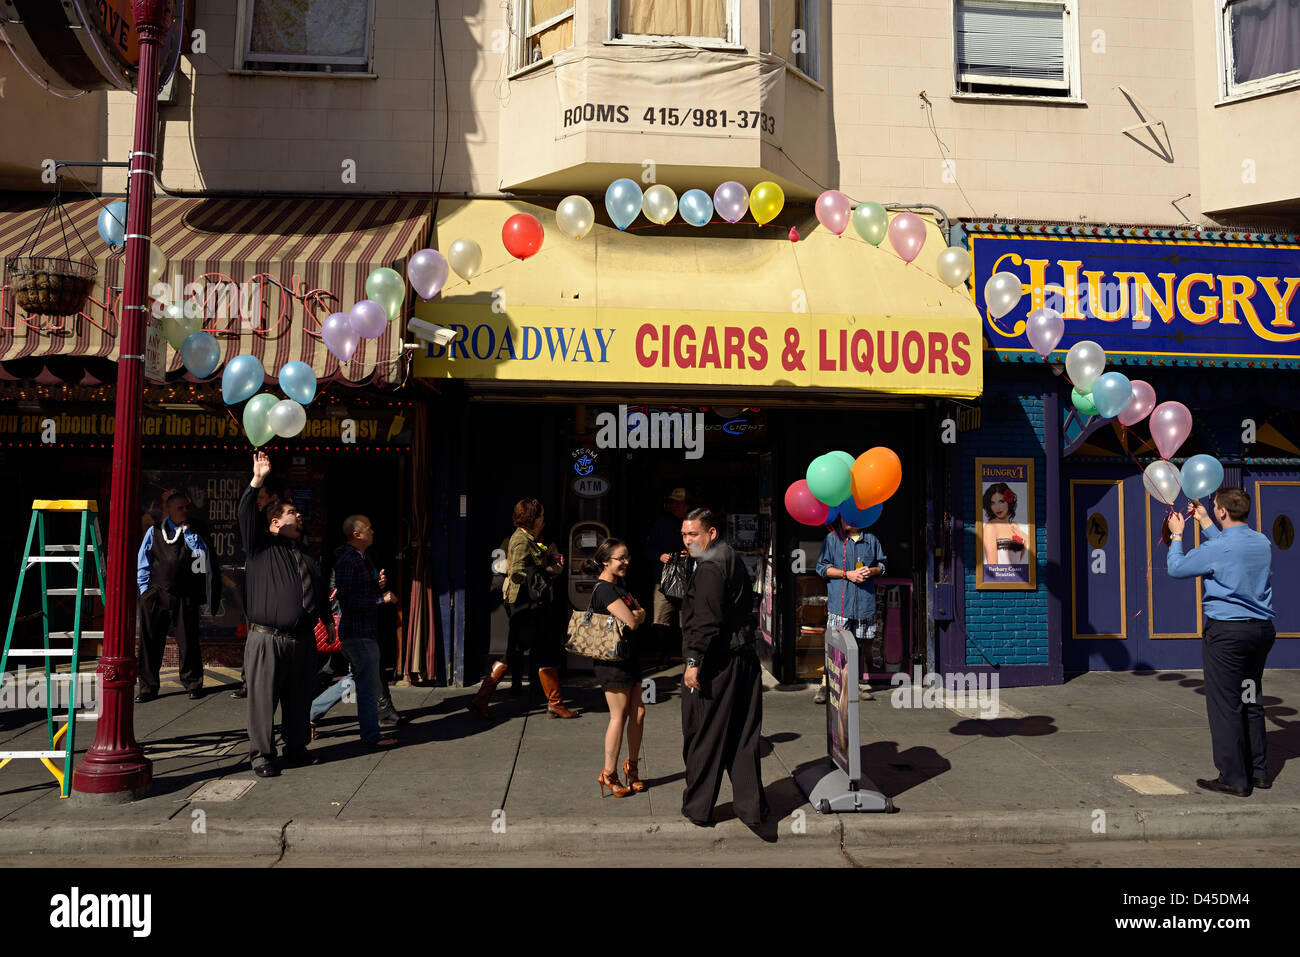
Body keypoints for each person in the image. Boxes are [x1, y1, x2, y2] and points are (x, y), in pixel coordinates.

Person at [1167, 489, 1276, 797]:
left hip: (1228, 636)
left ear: (1224, 512)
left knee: (1226, 705)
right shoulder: (1262, 542)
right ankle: (1259, 772)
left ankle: (1233, 778)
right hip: (1260, 633)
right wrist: (1204, 521)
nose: (1211, 509)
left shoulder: (1219, 548)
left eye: (1214, 507)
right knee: (1250, 698)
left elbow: (1177, 569)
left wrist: (1177, 535)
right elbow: (1229, 549)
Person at [238, 452, 334, 778]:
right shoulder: (261, 545)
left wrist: (328, 622)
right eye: (293, 512)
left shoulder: (306, 554)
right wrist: (257, 480)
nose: (300, 515)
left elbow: (318, 591)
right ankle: (263, 756)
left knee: (299, 699)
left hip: (303, 639)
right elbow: (246, 514)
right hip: (267, 638)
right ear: (276, 522)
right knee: (264, 701)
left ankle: (296, 748)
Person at [679, 507, 768, 827]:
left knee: (704, 735)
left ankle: (698, 808)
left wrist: (693, 663)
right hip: (744, 657)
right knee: (743, 737)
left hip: (718, 663)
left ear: (711, 533)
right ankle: (751, 808)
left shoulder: (709, 567)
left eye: (694, 534)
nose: (688, 541)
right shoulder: (728, 555)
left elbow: (705, 622)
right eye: (685, 535)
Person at [468, 498, 574, 719]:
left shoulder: (528, 538)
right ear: (533, 518)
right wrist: (542, 574)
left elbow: (533, 562)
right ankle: (482, 698)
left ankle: (554, 703)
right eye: (541, 516)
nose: (544, 520)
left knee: (535, 650)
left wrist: (550, 560)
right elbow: (516, 572)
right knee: (517, 652)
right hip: (526, 604)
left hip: (532, 604)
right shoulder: (520, 540)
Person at [135, 491, 220, 702]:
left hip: (186, 595)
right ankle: (148, 687)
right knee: (151, 641)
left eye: (187, 507)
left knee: (188, 640)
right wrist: (145, 590)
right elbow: (143, 561)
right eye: (181, 507)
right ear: (170, 510)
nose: (185, 511)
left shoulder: (197, 529)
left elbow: (202, 559)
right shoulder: (154, 531)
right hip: (156, 593)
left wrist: (190, 536)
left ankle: (192, 683)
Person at [585, 538, 648, 798]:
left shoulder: (618, 586)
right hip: (612, 661)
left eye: (627, 557)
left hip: (628, 657)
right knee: (618, 716)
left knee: (639, 713)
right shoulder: (605, 590)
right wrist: (637, 614)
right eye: (620, 558)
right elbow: (633, 620)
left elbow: (640, 613)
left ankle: (631, 768)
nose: (625, 562)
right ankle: (608, 773)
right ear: (605, 561)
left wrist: (638, 614)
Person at [330, 515, 399, 748]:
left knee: (361, 679)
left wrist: (375, 583)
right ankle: (371, 735)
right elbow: (348, 600)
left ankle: (309, 712)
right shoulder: (349, 560)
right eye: (368, 529)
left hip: (364, 629)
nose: (373, 532)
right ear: (357, 534)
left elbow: (358, 590)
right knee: (368, 686)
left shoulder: (361, 557)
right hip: (357, 632)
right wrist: (382, 598)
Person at [815, 515, 887, 703]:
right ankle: (826, 684)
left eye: (851, 517)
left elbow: (882, 565)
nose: (846, 521)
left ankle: (854, 684)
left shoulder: (871, 539)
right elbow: (822, 568)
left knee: (858, 645)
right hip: (840, 603)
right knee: (835, 646)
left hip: (864, 602)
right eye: (844, 517)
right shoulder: (833, 539)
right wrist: (848, 574)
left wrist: (871, 571)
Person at [232, 477, 285, 700]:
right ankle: (250, 681)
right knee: (254, 635)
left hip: (278, 592)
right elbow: (245, 514)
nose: (259, 502)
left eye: (262, 497)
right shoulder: (255, 523)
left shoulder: (283, 524)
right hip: (257, 590)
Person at [644, 488, 690, 665]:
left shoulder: (693, 523)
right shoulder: (662, 524)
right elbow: (648, 548)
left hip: (688, 578)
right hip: (663, 578)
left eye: (679, 503)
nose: (675, 506)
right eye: (673, 502)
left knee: (686, 620)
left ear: (687, 505)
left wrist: (692, 553)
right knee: (660, 621)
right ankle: (664, 654)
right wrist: (659, 556)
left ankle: (687, 655)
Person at [982, 483, 1028, 565]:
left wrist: (1023, 536)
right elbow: (992, 565)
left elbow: (1024, 558)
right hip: (1001, 576)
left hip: (1020, 576)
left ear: (1009, 501)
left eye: (1001, 501)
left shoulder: (1015, 526)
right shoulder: (990, 527)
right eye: (993, 503)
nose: (997, 507)